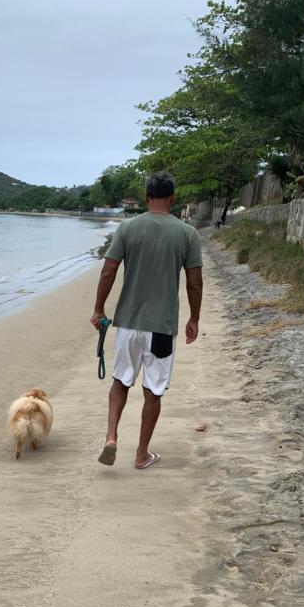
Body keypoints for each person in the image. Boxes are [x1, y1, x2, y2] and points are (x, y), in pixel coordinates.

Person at [90, 171, 203, 469]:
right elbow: (194, 283)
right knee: (153, 389)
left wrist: (99, 309)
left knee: (120, 381)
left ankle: (112, 436)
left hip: (128, 322)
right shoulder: (187, 234)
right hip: (162, 327)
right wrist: (194, 317)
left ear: (146, 197)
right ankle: (141, 454)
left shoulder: (128, 228)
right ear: (173, 198)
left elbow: (108, 271)